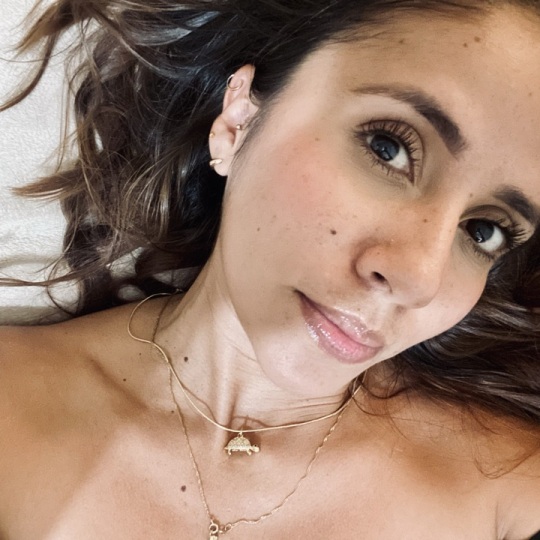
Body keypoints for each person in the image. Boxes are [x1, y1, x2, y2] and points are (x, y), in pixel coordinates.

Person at [0, 0, 539, 538]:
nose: (419, 278)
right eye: (388, 148)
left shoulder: (514, 496)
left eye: (484, 231)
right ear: (237, 121)